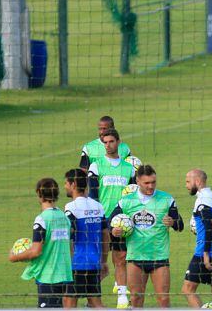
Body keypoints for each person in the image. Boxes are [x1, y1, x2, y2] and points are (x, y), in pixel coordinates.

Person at [110, 165, 183, 308]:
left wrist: (173, 222)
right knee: (136, 299)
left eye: (153, 182)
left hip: (159, 258)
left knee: (163, 300)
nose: (151, 186)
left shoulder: (167, 199)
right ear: (137, 181)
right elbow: (111, 222)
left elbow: (180, 226)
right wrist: (114, 230)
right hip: (135, 258)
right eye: (147, 183)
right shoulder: (126, 201)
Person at [87, 128, 134, 308]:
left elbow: (132, 196)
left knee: (121, 257)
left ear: (118, 143)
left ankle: (122, 296)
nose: (108, 145)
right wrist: (102, 221)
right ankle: (92, 299)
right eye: (105, 142)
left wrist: (126, 219)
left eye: (111, 142)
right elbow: (93, 195)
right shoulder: (96, 165)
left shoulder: (129, 169)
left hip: (121, 221)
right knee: (98, 261)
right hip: (101, 220)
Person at [9, 178, 73, 308]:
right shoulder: (64, 218)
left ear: (39, 193)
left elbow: (36, 251)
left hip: (48, 277)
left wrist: (14, 257)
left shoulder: (42, 219)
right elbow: (70, 248)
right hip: (65, 275)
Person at [182, 169, 212, 308]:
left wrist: (205, 254)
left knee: (188, 289)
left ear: (197, 182)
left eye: (188, 181)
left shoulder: (203, 200)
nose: (186, 185)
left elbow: (209, 226)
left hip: (204, 252)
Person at [63, 169, 108, 308]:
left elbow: (68, 235)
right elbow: (106, 235)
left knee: (69, 302)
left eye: (66, 183)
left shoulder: (71, 207)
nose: (65, 186)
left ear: (74, 184)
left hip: (77, 263)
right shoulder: (98, 206)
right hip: (94, 263)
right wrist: (104, 261)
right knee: (96, 303)